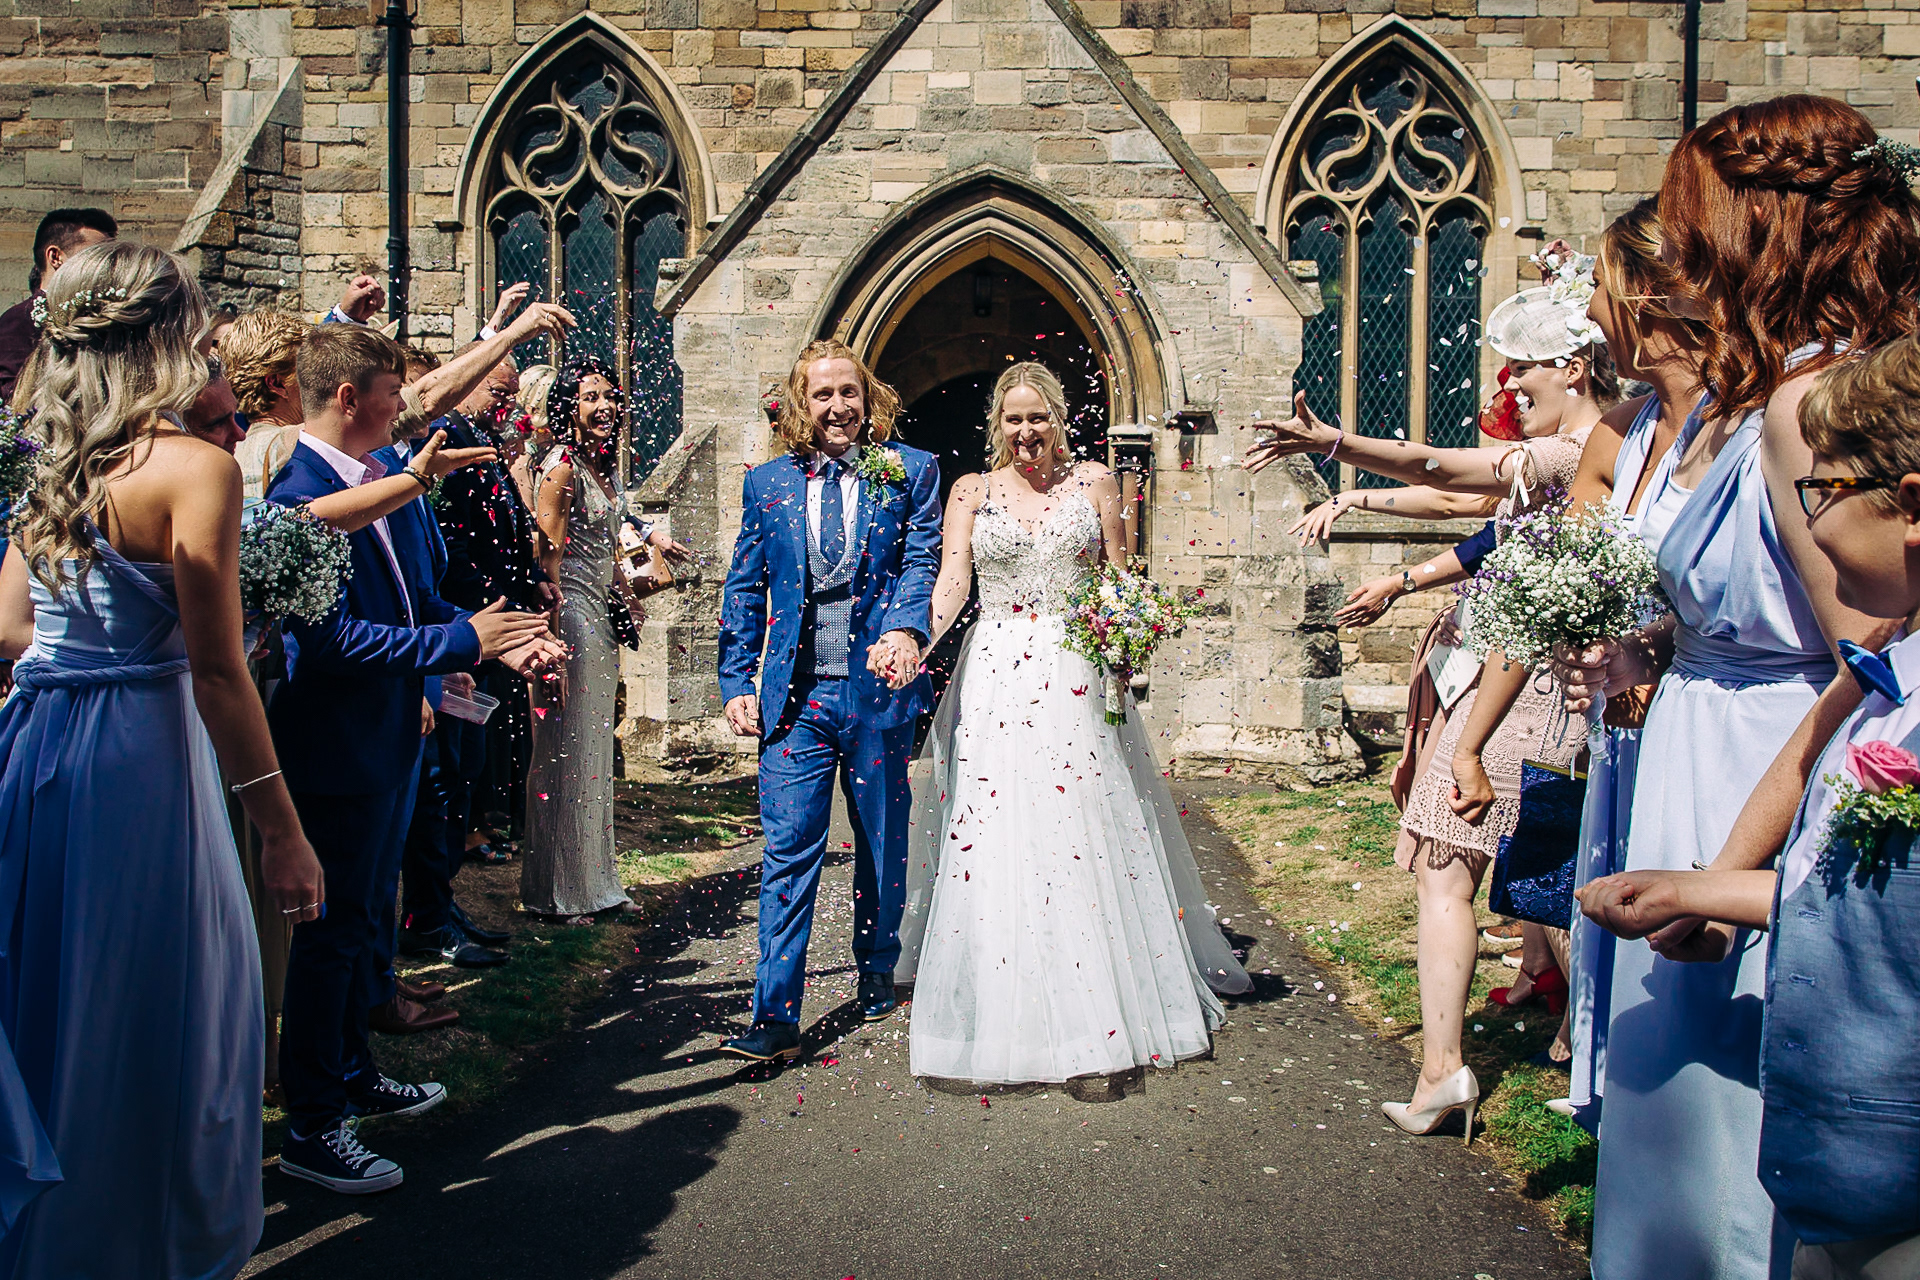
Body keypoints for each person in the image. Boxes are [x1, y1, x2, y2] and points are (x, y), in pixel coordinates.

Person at [1555, 95, 1916, 1280]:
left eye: (1691, 218)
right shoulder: (1762, 392)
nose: (1677, 249)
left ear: (1754, 230)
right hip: (1705, 752)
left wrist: (1737, 871)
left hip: (1765, 781)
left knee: (1729, 1132)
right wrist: (1656, 654)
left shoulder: (1810, 410)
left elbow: (1872, 672)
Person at [0, 240, 322, 1277]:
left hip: (41, 749)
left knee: (52, 998)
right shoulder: (196, 468)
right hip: (141, 758)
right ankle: (148, 1243)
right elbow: (222, 674)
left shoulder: (51, 465)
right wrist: (283, 833)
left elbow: (11, 630)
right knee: (165, 1008)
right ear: (173, 339)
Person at [1248, 274, 1616, 1138]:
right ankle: (1472, 1064)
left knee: (1503, 878)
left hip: (1520, 695)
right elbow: (1485, 532)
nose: (1510, 386)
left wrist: (1334, 443)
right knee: (1506, 878)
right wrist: (1404, 575)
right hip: (1514, 685)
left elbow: (1443, 472)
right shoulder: (1589, 450)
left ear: (1571, 366)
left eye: (1524, 369)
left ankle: (1464, 1070)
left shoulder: (1573, 451)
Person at [893, 362, 1249, 1083]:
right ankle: (1006, 1001)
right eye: (1013, 419)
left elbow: (1117, 577)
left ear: (1060, 421)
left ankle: (1097, 1012)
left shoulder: (1094, 484)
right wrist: (913, 644)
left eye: (1039, 417)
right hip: (993, 672)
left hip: (1073, 671)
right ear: (998, 425)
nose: (1027, 432)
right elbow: (953, 583)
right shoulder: (971, 491)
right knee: (995, 825)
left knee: (1079, 826)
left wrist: (1128, 638)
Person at [267, 323, 560, 1194]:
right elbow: (324, 644)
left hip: (391, 737)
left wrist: (492, 643)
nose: (408, 409)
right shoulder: (299, 492)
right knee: (330, 936)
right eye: (397, 395)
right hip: (336, 745)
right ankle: (314, 1125)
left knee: (362, 922)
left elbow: (418, 597)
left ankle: (353, 1073)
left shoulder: (384, 486)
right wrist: (456, 639)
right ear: (352, 398)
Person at [715, 338, 941, 1062]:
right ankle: (775, 1013)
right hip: (795, 700)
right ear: (800, 406)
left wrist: (907, 629)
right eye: (823, 395)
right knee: (787, 852)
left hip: (876, 693)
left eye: (849, 392)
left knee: (880, 843)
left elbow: (921, 559)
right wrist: (735, 681)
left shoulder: (912, 471)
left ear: (869, 398)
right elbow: (745, 586)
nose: (838, 407)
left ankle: (876, 966)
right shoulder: (769, 484)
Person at [1544, 198, 1708, 1124]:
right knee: (1624, 899)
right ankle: (1635, 1114)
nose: (1593, 315)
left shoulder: (1751, 421)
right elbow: (1575, 569)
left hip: (1702, 700)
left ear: (1648, 295)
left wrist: (1647, 649)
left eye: (1600, 292)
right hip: (1624, 717)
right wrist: (1580, 640)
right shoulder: (1620, 430)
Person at [524, 358, 659, 922]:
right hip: (571, 621)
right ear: (567, 407)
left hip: (599, 618)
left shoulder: (592, 466)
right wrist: (544, 645)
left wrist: (625, 586)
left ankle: (596, 881)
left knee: (594, 752)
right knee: (567, 753)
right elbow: (544, 561)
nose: (603, 406)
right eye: (589, 397)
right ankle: (560, 892)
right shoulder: (560, 468)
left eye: (609, 396)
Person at [0, 207, 116, 403]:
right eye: (95, 256)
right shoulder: (20, 321)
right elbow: (16, 401)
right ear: (55, 257)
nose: (107, 267)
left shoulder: (105, 320)